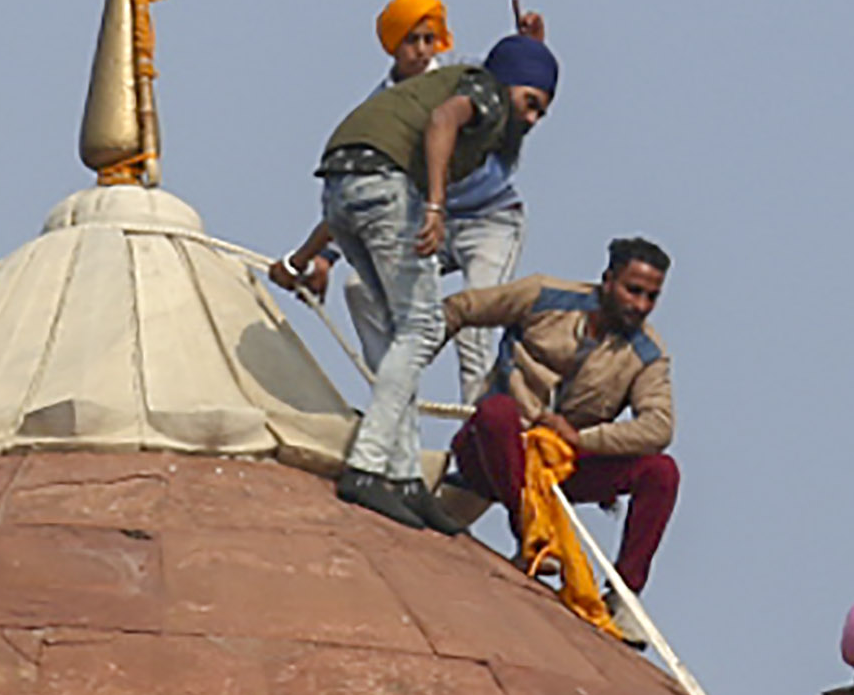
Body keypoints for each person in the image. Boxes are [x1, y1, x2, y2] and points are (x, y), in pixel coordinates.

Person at [279, 31, 555, 523]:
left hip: (344, 186)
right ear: (510, 83)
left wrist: (303, 257)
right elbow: (443, 122)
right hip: (386, 191)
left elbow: (360, 182)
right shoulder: (485, 93)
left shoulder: (453, 87)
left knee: (398, 331)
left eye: (541, 114)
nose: (531, 120)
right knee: (425, 326)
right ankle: (368, 466)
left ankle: (405, 478)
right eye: (530, 103)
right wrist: (434, 205)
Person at [437, 243, 682, 592]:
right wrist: (405, 374)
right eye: (633, 290)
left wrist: (580, 439)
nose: (640, 305)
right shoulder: (543, 296)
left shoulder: (647, 354)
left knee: (662, 471)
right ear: (608, 280)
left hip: (558, 470)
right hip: (492, 450)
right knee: (498, 411)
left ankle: (624, 595)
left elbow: (659, 428)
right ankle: (532, 532)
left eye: (651, 297)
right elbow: (461, 308)